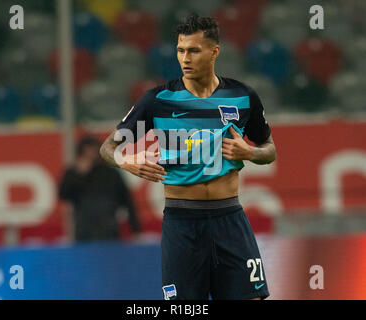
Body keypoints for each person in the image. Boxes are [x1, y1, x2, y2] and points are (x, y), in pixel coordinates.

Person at [100, 14, 276, 300]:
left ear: (214, 52)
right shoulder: (158, 101)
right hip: (182, 223)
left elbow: (270, 149)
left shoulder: (243, 97)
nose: (185, 58)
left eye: (193, 50)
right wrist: (126, 161)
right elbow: (107, 148)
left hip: (230, 218)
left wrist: (252, 152)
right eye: (181, 50)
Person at [59, 135, 140, 242]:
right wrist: (79, 176)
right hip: (84, 231)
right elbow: (63, 194)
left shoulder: (110, 174)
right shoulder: (74, 173)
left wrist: (136, 230)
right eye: (87, 151)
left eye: (93, 150)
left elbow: (127, 200)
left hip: (108, 230)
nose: (91, 154)